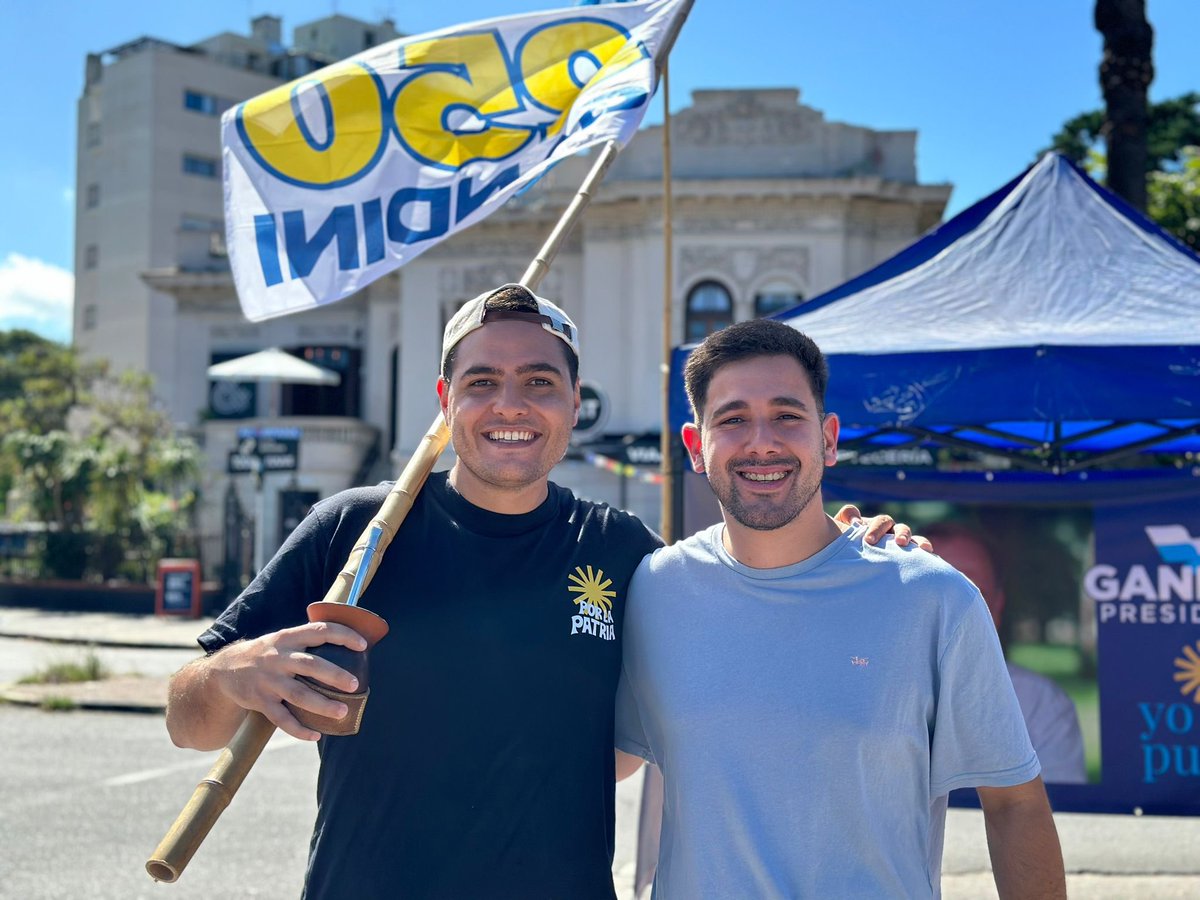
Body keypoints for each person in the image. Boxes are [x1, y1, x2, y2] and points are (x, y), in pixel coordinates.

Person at [164, 285, 915, 899]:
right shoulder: (355, 531)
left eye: (539, 382)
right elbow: (186, 721)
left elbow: (741, 618)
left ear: (573, 400)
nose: (510, 405)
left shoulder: (625, 553)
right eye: (482, 382)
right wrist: (235, 673)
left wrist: (844, 545)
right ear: (445, 399)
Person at [614, 319, 1066, 898]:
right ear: (695, 447)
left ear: (828, 437)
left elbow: (1015, 806)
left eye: (786, 415)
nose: (762, 441)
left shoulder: (934, 598)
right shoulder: (654, 589)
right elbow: (608, 760)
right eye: (731, 419)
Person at [919, 522, 1087, 784]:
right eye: (932, 592)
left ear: (998, 605)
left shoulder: (1042, 704)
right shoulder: (862, 691)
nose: (952, 610)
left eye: (974, 595)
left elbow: (1058, 814)